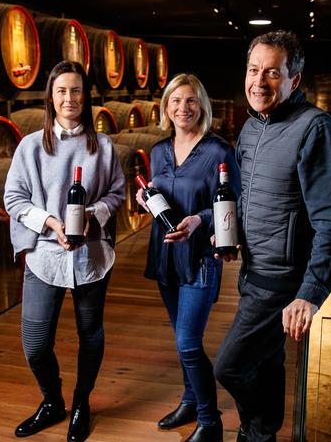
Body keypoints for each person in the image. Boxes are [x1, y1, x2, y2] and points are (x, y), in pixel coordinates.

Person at [213, 30, 331, 442]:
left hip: (281, 280)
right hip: (253, 271)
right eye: (253, 70)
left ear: (295, 78)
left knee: (229, 366)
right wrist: (232, 234)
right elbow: (251, 196)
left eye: (272, 73)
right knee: (268, 362)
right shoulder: (252, 127)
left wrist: (308, 293)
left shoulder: (315, 129)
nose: (259, 82)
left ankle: (257, 430)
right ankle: (264, 433)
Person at [4, 61, 125, 441]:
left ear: (85, 96)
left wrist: (94, 213)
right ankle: (52, 400)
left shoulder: (102, 146)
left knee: (91, 334)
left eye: (76, 90)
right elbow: (14, 198)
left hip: (91, 256)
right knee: (35, 344)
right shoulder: (30, 147)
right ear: (51, 97)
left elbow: (117, 193)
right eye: (61, 91)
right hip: (44, 255)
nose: (69, 98)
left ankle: (82, 401)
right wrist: (50, 223)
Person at [136, 73, 241, 442]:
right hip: (166, 255)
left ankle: (210, 421)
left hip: (199, 258)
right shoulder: (159, 151)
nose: (183, 108)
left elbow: (233, 204)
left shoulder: (218, 152)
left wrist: (200, 219)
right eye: (176, 100)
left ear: (202, 107)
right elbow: (159, 195)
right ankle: (189, 400)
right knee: (179, 337)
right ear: (167, 107)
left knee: (188, 343)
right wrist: (145, 199)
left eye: (191, 100)